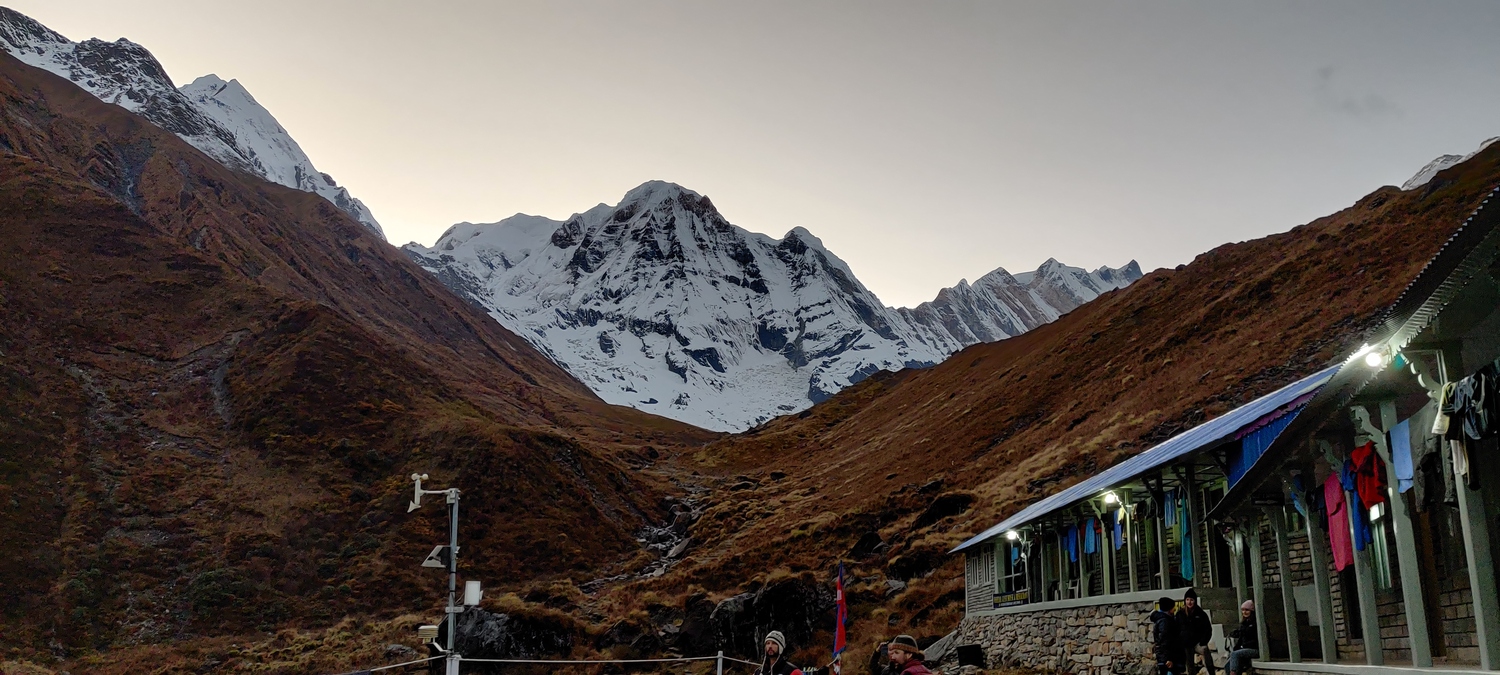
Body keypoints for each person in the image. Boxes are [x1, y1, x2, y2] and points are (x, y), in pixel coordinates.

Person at [1176, 588, 1216, 675]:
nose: (1189, 602)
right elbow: (1176, 629)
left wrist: (1203, 641)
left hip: (1198, 643)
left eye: (1191, 600)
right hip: (1186, 644)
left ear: (1195, 601)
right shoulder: (1180, 614)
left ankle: (1212, 672)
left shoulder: (1201, 614)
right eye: (1187, 600)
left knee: (1205, 651)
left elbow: (1208, 629)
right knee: (1189, 663)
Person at [1225, 601, 1259, 675]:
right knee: (1228, 664)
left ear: (1252, 611)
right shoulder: (1244, 624)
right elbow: (1241, 639)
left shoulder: (1257, 624)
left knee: (1235, 655)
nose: (1244, 612)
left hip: (1255, 649)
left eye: (1247, 610)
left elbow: (1257, 641)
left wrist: (1243, 646)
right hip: (1244, 650)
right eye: (1243, 610)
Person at [1151, 597, 1183, 675]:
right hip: (1167, 658)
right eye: (1173, 608)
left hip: (1165, 656)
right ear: (1168, 609)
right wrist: (1168, 659)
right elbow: (1165, 641)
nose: (1174, 609)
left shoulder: (1164, 619)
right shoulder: (1165, 622)